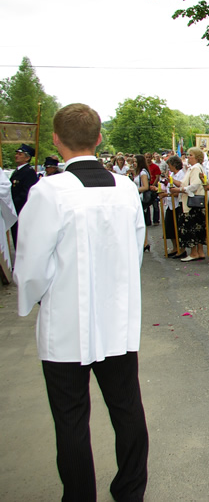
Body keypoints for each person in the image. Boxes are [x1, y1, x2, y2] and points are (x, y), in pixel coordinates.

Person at [15, 103, 149, 501]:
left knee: (71, 418)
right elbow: (136, 250)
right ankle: (130, 491)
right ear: (99, 137)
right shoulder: (125, 188)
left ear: (56, 140)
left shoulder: (48, 192)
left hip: (67, 320)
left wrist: (35, 298)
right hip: (116, 317)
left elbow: (31, 265)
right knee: (127, 407)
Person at [171, 146, 207, 262]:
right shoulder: (193, 168)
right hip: (194, 201)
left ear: (197, 157)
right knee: (198, 227)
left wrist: (180, 190)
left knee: (191, 227)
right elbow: (184, 183)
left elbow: (194, 185)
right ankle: (200, 251)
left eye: (190, 155)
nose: (188, 157)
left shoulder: (195, 168)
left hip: (191, 202)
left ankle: (194, 252)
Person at [10, 143, 39, 247]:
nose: (16, 156)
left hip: (22, 210)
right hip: (15, 210)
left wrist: (13, 203)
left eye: (20, 154)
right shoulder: (17, 171)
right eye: (17, 153)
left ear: (27, 158)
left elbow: (26, 193)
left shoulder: (28, 172)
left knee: (22, 240)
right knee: (16, 238)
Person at [133, 153, 153, 252]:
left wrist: (133, 190)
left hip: (141, 198)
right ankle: (143, 242)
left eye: (135, 162)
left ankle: (145, 242)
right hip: (138, 198)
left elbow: (145, 187)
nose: (133, 164)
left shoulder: (143, 173)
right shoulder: (138, 172)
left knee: (142, 221)